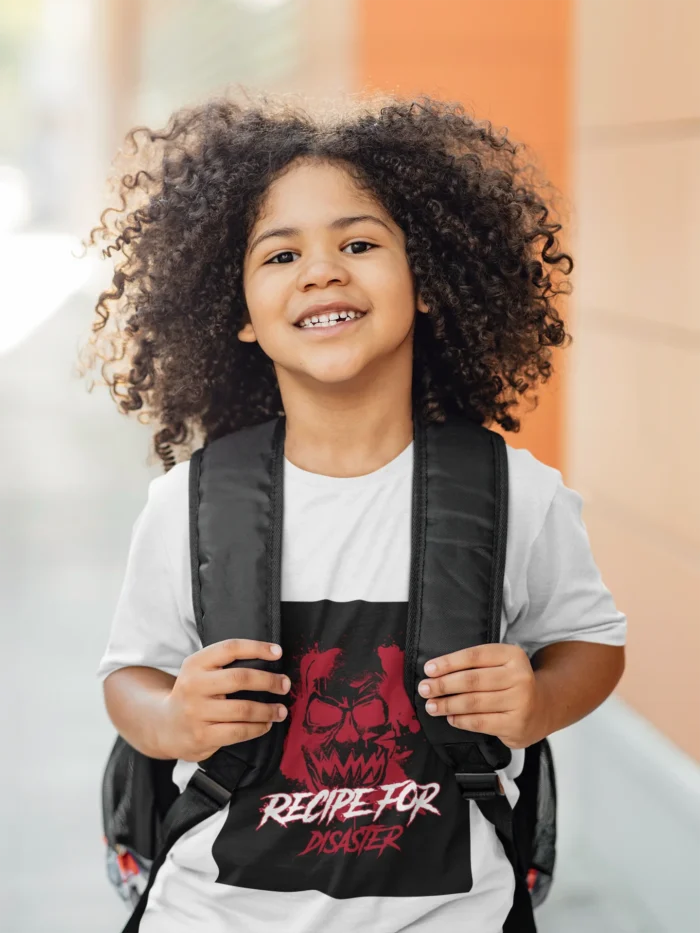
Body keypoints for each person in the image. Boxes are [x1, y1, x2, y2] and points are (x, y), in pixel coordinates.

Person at [83, 91, 627, 933]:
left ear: (430, 282)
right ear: (238, 316)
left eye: (360, 243)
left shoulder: (514, 494)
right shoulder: (188, 503)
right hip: (216, 914)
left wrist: (541, 702)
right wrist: (172, 717)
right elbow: (130, 676)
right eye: (279, 255)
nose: (322, 270)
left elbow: (592, 644)